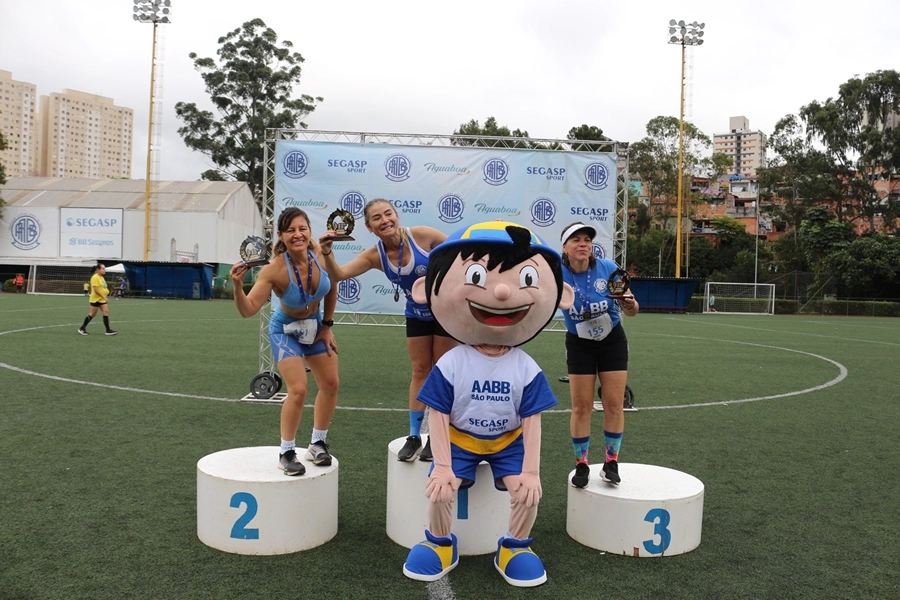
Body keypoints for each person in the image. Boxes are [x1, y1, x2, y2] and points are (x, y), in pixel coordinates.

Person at [402, 221, 574, 587]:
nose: (498, 290)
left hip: (507, 444)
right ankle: (440, 544)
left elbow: (532, 422)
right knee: (440, 489)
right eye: (478, 276)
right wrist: (443, 464)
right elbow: (438, 413)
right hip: (461, 441)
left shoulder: (526, 368)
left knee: (528, 495)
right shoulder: (451, 362)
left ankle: (514, 546)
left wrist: (530, 471)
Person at [319, 198, 456, 462]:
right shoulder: (374, 255)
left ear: (397, 215)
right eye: (377, 218)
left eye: (388, 214)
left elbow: (460, 253)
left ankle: (438, 434)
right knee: (419, 370)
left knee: (441, 370)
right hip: (416, 315)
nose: (385, 221)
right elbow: (338, 275)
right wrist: (326, 252)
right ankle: (415, 435)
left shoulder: (423, 236)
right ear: (370, 227)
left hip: (444, 314)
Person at [230, 207, 340, 477]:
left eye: (302, 228)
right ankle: (286, 452)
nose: (298, 235)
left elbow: (332, 285)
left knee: (330, 384)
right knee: (299, 389)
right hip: (286, 331)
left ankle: (317, 443)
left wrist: (327, 326)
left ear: (309, 231)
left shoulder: (320, 253)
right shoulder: (274, 269)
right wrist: (236, 286)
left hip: (315, 327)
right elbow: (248, 310)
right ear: (281, 235)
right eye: (290, 230)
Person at [559, 222, 639, 489]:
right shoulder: (556, 273)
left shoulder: (607, 269)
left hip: (612, 340)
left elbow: (632, 309)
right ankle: (581, 464)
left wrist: (629, 303)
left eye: (587, 240)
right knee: (581, 406)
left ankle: (611, 462)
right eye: (576, 240)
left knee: (614, 403)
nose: (583, 244)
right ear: (565, 247)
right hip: (579, 343)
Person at [78, 264, 118, 336]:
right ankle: (82, 328)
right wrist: (104, 297)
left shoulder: (101, 277)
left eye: (104, 268)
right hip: (96, 299)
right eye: (103, 268)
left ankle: (108, 330)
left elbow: (102, 287)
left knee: (105, 312)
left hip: (101, 299)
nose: (104, 270)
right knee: (92, 314)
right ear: (98, 269)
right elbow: (96, 289)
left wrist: (106, 293)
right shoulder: (95, 277)